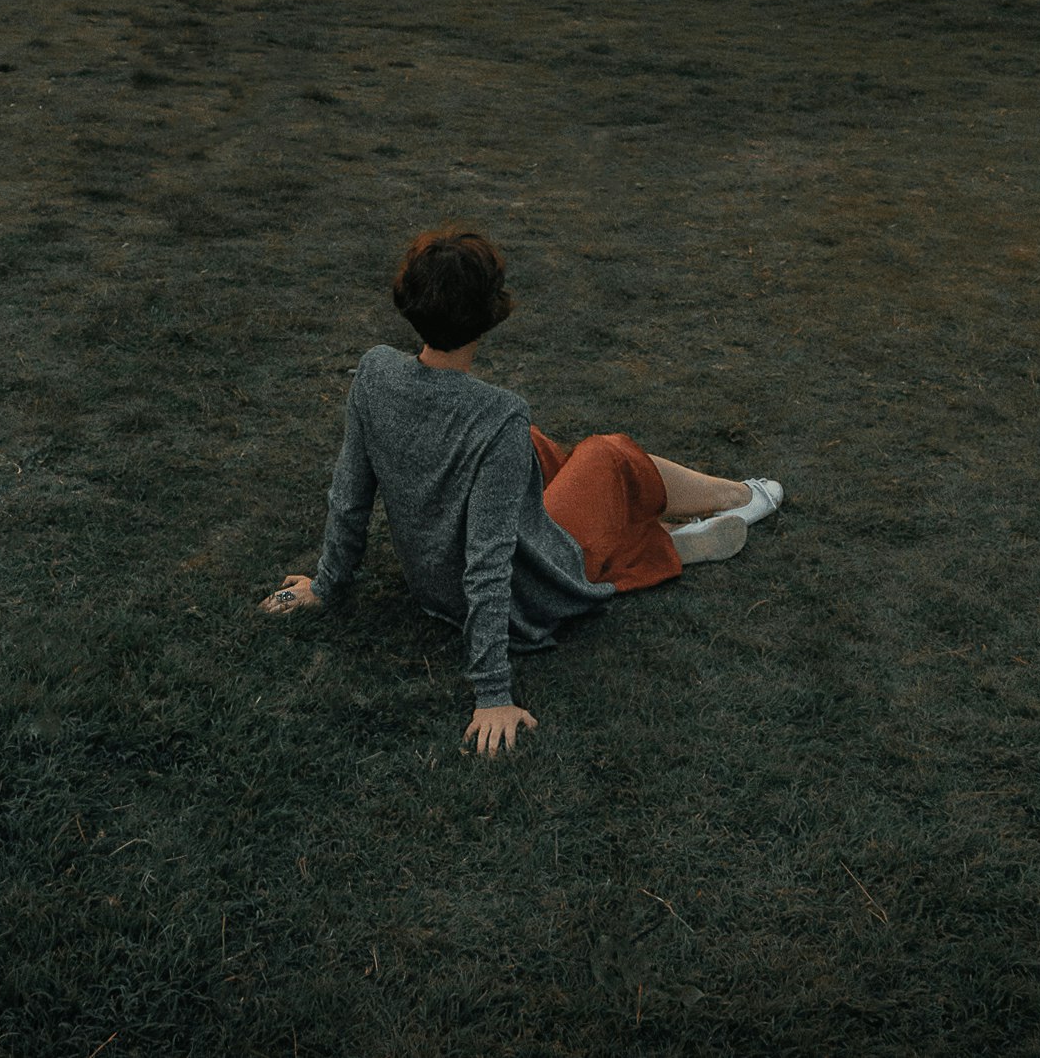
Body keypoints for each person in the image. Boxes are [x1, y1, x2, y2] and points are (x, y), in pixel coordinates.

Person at [261, 226, 783, 757]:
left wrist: (327, 586)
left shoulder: (374, 373)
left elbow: (349, 496)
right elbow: (489, 561)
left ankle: (658, 534)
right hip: (521, 594)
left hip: (433, 585)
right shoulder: (496, 414)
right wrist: (492, 694)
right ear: (490, 313)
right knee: (607, 455)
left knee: (534, 447)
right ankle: (740, 496)